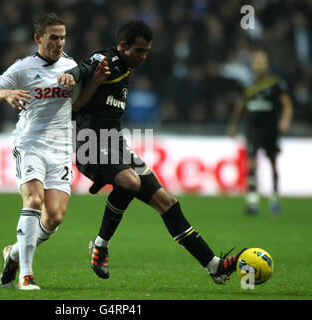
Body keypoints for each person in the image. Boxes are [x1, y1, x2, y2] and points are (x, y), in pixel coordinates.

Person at [66, 20, 246, 284]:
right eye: (139, 51)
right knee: (129, 181)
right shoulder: (106, 60)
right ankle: (100, 245)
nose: (143, 57)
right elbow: (83, 68)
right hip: (89, 145)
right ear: (123, 46)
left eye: (146, 51)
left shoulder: (126, 69)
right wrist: (70, 75)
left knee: (168, 203)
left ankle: (213, 265)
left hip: (116, 146)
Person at [0, 13, 77, 290]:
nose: (59, 42)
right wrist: (6, 94)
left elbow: (82, 102)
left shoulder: (72, 67)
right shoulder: (23, 68)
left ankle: (12, 253)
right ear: (38, 38)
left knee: (54, 218)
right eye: (53, 37)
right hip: (30, 143)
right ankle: (26, 274)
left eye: (62, 37)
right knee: (33, 201)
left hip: (60, 148)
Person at [228, 50, 293, 216]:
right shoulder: (246, 85)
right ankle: (252, 201)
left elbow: (287, 104)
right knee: (251, 164)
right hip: (253, 129)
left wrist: (285, 120)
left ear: (267, 64)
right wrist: (234, 124)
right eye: (256, 61)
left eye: (262, 61)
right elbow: (240, 106)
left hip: (271, 130)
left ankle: (275, 199)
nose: (259, 64)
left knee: (273, 163)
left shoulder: (276, 83)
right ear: (252, 64)